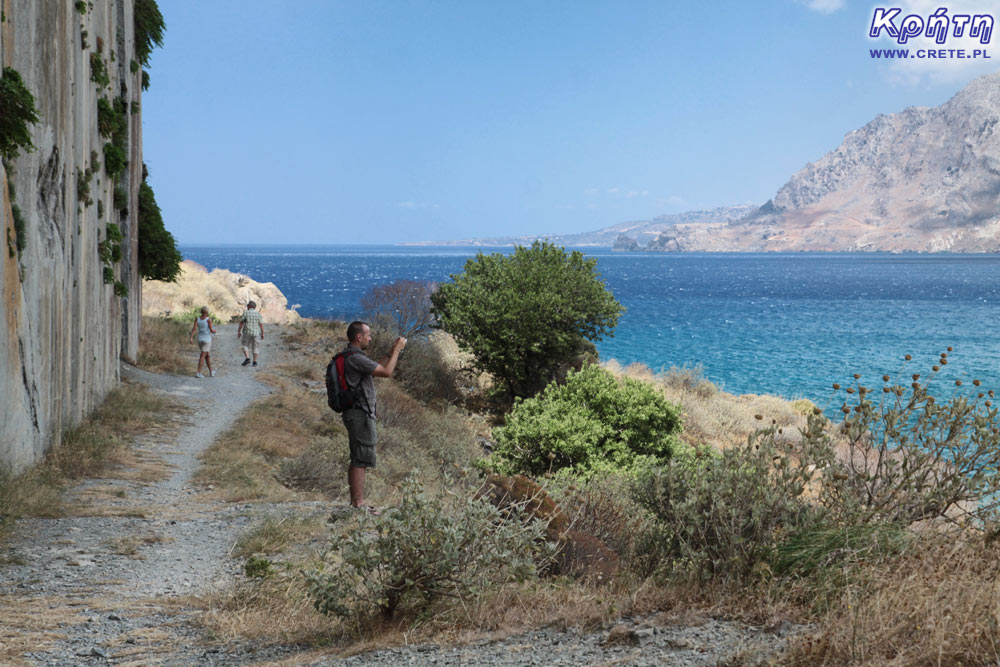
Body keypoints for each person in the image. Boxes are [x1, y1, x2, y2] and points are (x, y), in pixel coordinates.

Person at [341, 321, 406, 513]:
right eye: (368, 335)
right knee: (361, 458)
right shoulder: (355, 358)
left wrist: (391, 350)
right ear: (358, 337)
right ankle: (358, 504)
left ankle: (357, 503)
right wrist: (398, 351)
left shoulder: (352, 356)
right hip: (360, 413)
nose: (370, 338)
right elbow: (386, 372)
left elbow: (376, 368)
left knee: (358, 456)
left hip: (356, 412)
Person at [188, 306, 217, 378]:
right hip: (207, 339)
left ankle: (211, 371)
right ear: (207, 312)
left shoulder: (197, 319)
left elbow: (194, 329)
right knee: (202, 356)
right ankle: (198, 372)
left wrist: (191, 337)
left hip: (200, 339)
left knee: (207, 355)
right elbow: (211, 330)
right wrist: (214, 331)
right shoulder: (208, 320)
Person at [237, 300, 264, 367]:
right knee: (256, 347)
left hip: (247, 332)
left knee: (245, 345)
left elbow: (241, 323)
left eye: (247, 305)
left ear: (249, 306)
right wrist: (262, 333)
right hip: (256, 333)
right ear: (254, 307)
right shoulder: (258, 314)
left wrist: (239, 331)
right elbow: (261, 325)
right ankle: (255, 361)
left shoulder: (246, 313)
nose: (247, 306)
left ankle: (247, 358)